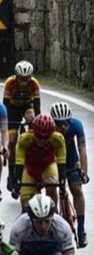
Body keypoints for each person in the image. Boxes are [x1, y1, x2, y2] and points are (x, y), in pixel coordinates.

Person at [50, 101, 89, 247]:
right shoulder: (48, 127)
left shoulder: (77, 125)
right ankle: (52, 222)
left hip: (71, 160)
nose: (64, 127)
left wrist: (84, 171)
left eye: (66, 123)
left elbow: (82, 149)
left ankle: (81, 229)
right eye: (60, 124)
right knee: (51, 188)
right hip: (53, 160)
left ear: (70, 120)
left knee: (76, 189)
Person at [12, 113, 66, 208]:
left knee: (52, 185)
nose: (42, 140)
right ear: (33, 131)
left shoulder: (58, 139)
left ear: (52, 133)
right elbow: (19, 163)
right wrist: (17, 184)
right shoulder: (25, 139)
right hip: (30, 169)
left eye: (46, 137)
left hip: (48, 166)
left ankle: (54, 211)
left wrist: (62, 183)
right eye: (39, 136)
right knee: (26, 204)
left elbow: (61, 161)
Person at [3, 61, 41, 189]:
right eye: (21, 78)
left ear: (30, 77)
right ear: (16, 76)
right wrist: (8, 122)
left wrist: (36, 124)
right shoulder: (10, 83)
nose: (24, 82)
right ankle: (11, 173)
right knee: (12, 141)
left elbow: (37, 105)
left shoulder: (34, 83)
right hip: (13, 108)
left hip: (26, 106)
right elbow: (6, 105)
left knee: (32, 118)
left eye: (27, 78)